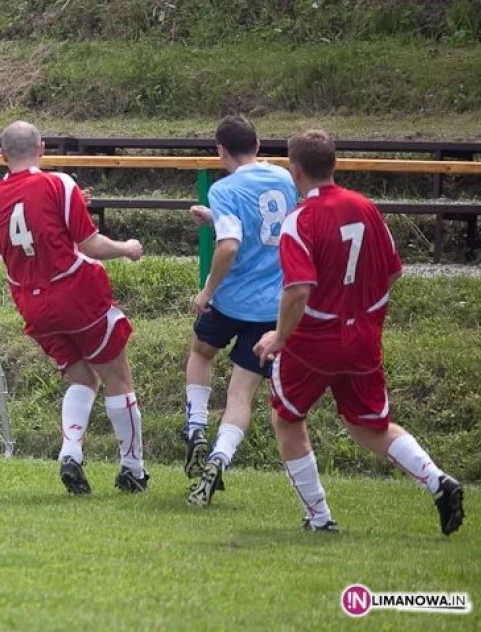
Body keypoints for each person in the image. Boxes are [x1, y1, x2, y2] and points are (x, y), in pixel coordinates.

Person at [254, 129, 464, 535]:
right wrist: (360, 310)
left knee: (287, 418)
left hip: (313, 342)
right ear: (335, 164)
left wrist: (279, 336)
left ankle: (319, 517)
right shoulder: (366, 207)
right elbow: (393, 271)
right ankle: (437, 480)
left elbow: (298, 290)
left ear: (294, 170)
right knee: (368, 426)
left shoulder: (301, 220)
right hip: (363, 338)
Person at [0, 120, 147, 494]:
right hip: (76, 293)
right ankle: (133, 469)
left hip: (32, 304)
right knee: (117, 378)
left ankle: (71, 451)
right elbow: (90, 245)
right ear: (41, 149)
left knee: (81, 378)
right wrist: (127, 249)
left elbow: (8, 245)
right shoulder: (59, 183)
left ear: (2, 156)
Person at [180, 115, 298, 506]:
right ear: (259, 144)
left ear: (220, 151)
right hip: (271, 308)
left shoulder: (225, 188)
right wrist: (215, 218)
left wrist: (206, 292)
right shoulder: (283, 179)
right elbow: (269, 224)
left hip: (231, 299)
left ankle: (196, 426)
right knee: (241, 393)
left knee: (200, 350)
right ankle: (219, 457)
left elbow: (230, 245)